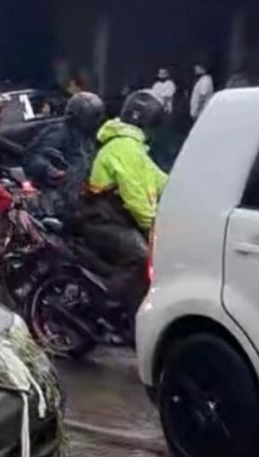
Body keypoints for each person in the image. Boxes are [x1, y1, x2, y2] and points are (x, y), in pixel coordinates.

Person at [80, 90, 169, 309]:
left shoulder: (133, 147)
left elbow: (160, 179)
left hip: (116, 217)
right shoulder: (125, 147)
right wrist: (153, 226)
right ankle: (105, 306)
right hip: (101, 219)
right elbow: (135, 197)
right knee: (141, 256)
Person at [23, 91, 105, 218]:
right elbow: (33, 157)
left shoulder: (91, 138)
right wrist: (49, 170)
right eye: (93, 116)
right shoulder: (59, 132)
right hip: (60, 196)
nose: (95, 121)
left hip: (84, 195)